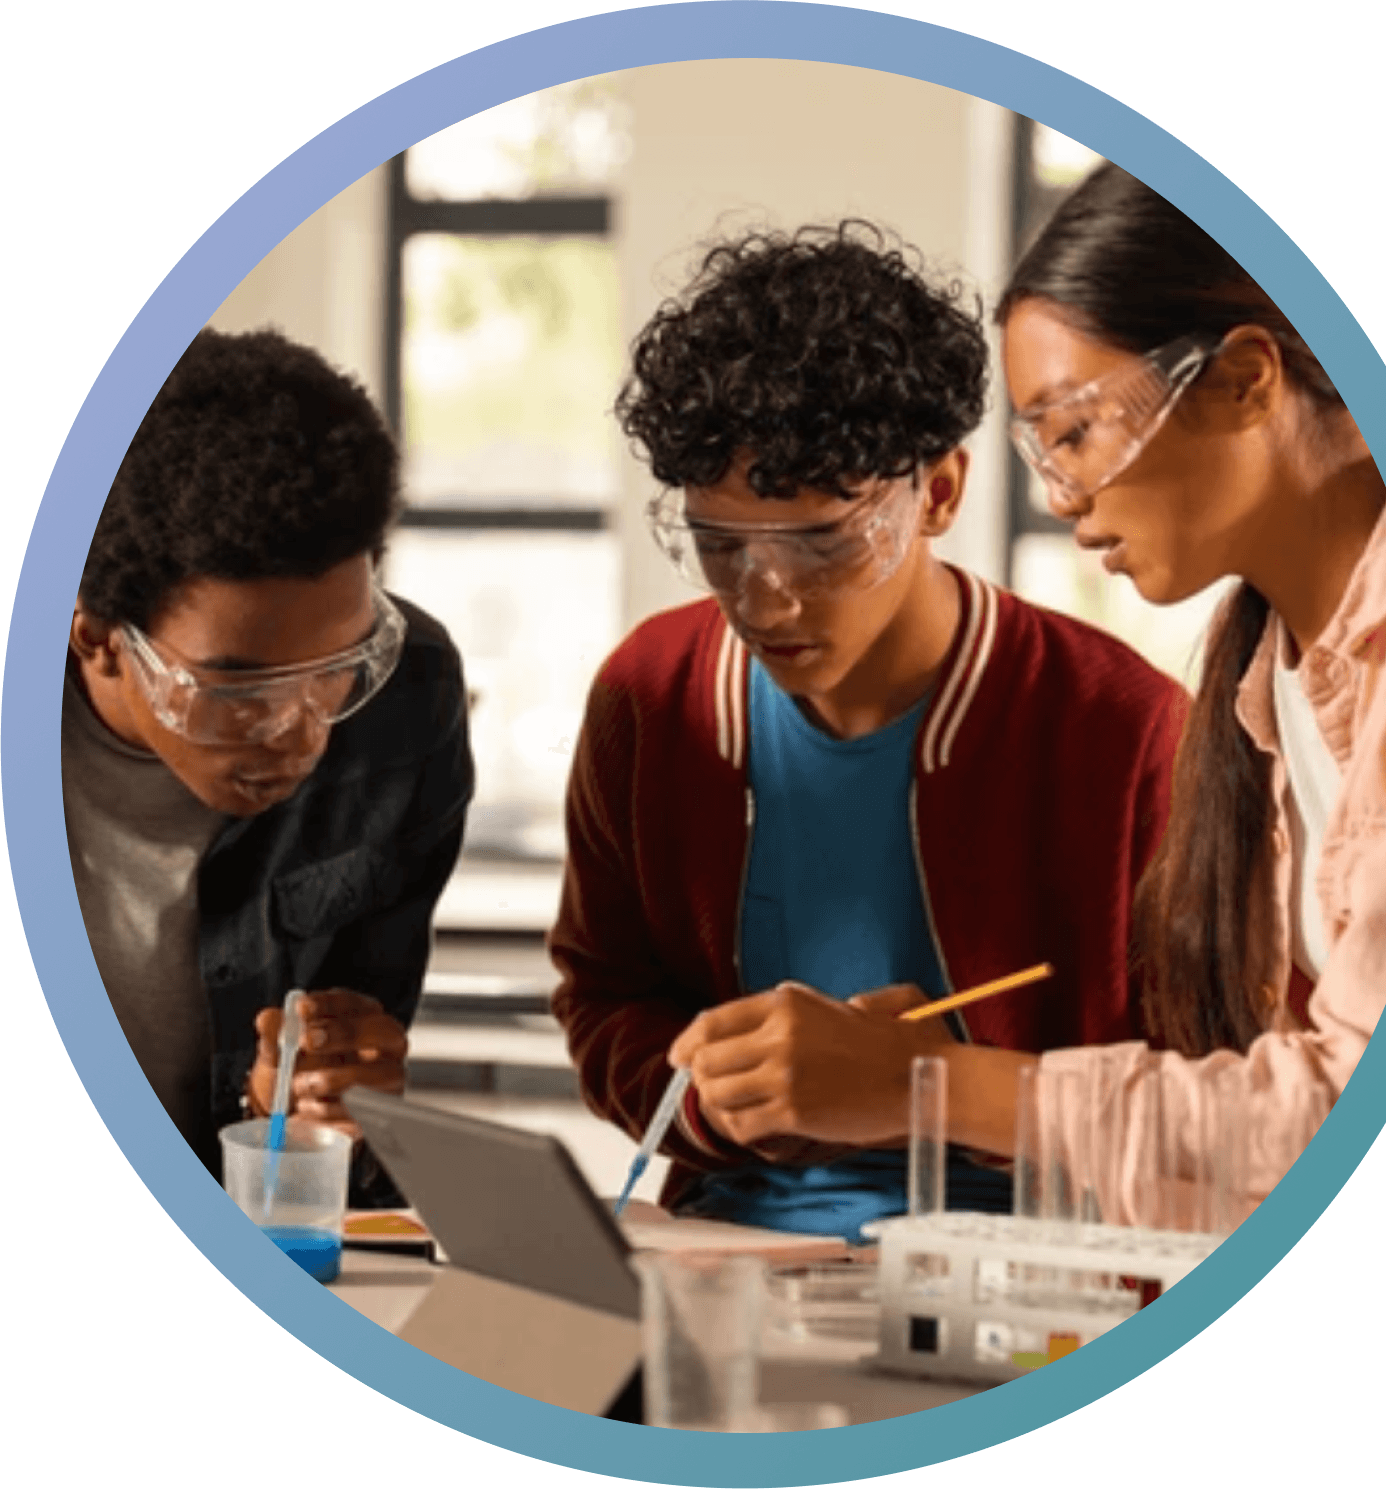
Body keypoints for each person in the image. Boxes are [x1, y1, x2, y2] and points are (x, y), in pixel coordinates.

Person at [549, 223, 1187, 1238]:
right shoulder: (650, 693)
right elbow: (603, 997)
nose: (765, 601)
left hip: (1030, 1258)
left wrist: (925, 1087)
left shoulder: (1122, 726)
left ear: (936, 493)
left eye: (819, 544)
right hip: (726, 1239)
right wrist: (726, 1103)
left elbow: (1205, 1099)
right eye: (719, 545)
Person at [992, 163, 1386, 1217]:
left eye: (1073, 431)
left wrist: (928, 1092)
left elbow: (1369, 1111)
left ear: (1244, 379)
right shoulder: (1260, 679)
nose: (1059, 496)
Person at [65, 327, 475, 1204]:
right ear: (99, 639)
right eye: (238, 686)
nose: (300, 730)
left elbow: (332, 1160)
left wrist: (319, 1116)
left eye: (339, 667)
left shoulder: (408, 704)